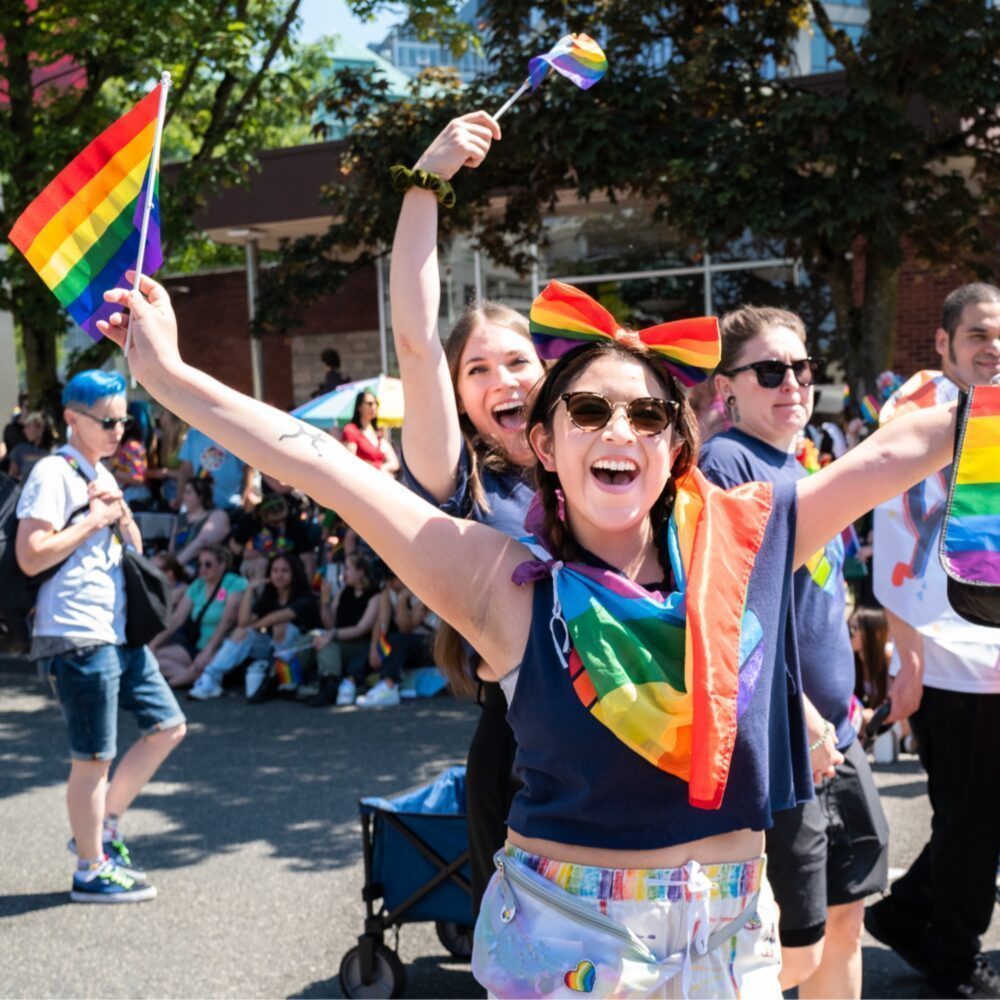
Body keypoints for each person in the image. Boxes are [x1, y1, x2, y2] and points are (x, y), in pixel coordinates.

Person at [99, 250, 963, 994]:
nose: (617, 427)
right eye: (588, 411)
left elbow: (897, 450)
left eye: (645, 415)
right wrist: (170, 375)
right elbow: (321, 465)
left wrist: (984, 393)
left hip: (728, 938)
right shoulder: (504, 581)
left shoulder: (749, 538)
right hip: (562, 945)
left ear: (673, 449)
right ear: (546, 445)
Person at [700, 305, 889, 999]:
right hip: (784, 745)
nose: (793, 383)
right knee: (786, 952)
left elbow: (819, 600)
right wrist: (800, 711)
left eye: (801, 367)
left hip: (837, 733)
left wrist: (848, 699)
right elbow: (729, 617)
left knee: (848, 915)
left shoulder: (803, 459)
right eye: (770, 370)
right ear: (728, 389)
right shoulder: (727, 462)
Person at [389, 111, 545, 916]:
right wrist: (428, 180)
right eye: (477, 368)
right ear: (457, 397)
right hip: (516, 752)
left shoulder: (598, 468)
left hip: (628, 744)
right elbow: (416, 339)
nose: (502, 378)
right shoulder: (460, 482)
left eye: (518, 360)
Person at [867, 282, 1000, 1000]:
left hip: (990, 650)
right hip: (950, 658)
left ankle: (904, 913)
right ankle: (952, 963)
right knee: (972, 820)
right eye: (978, 334)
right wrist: (907, 660)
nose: (994, 347)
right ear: (944, 344)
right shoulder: (918, 424)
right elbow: (895, 546)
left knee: (977, 816)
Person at [14, 369, 186, 903]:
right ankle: (90, 868)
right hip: (75, 631)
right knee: (93, 756)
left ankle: (102, 828)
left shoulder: (101, 472)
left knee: (168, 726)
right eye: (108, 420)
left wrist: (116, 513)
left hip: (115, 631)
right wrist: (92, 520)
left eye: (125, 419)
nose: (120, 430)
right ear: (72, 419)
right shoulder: (52, 472)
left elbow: (131, 540)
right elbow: (30, 553)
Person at [187, 551, 318, 701]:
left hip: (304, 651)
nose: (279, 575)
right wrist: (249, 590)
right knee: (242, 632)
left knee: (280, 626)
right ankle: (211, 678)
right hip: (272, 650)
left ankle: (287, 682)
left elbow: (276, 617)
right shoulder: (270, 595)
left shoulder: (305, 597)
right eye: (275, 570)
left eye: (284, 571)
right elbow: (243, 622)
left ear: (295, 573)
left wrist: (254, 625)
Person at [149, 545, 247, 688]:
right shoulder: (198, 585)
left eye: (208, 564)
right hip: (197, 647)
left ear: (222, 565)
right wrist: (153, 645)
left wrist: (208, 650)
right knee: (153, 657)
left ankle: (183, 679)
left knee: (183, 672)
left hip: (220, 646)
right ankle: (197, 677)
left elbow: (227, 620)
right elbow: (177, 618)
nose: (202, 568)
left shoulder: (234, 582)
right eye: (199, 564)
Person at [299, 552, 381, 707]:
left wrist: (332, 635)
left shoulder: (375, 596)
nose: (344, 574)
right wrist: (324, 602)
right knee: (313, 636)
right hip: (341, 640)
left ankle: (329, 684)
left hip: (360, 646)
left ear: (361, 571)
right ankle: (286, 675)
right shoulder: (345, 591)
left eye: (347, 569)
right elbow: (330, 624)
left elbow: (361, 629)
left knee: (328, 645)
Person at [355, 573, 440, 708]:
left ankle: (389, 685)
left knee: (398, 640)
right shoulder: (388, 593)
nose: (388, 583)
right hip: (411, 645)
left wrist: (401, 598)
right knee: (382, 644)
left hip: (434, 645)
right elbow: (382, 623)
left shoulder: (423, 589)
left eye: (391, 578)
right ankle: (353, 682)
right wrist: (374, 649)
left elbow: (405, 626)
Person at [228, 492, 316, 579]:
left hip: (286, 565)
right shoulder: (250, 520)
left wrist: (307, 587)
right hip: (258, 562)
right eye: (275, 521)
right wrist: (243, 552)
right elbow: (234, 543)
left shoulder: (294, 523)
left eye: (283, 519)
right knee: (261, 563)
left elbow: (307, 556)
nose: (281, 524)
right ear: (264, 516)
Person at [176, 424, 252, 512]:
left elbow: (248, 470)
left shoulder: (237, 435)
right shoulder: (194, 433)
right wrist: (180, 496)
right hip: (199, 506)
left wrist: (244, 496)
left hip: (231, 505)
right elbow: (185, 469)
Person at [167, 477, 230, 576]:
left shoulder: (217, 515)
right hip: (174, 569)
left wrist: (175, 566)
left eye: (188, 492)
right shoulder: (180, 518)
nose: (183, 496)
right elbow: (171, 548)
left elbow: (201, 543)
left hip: (199, 568)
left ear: (201, 496)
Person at [341, 391, 400, 475]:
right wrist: (377, 468)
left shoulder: (378, 432)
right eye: (369, 404)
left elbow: (394, 463)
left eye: (376, 403)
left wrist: (381, 468)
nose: (374, 407)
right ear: (359, 407)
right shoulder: (351, 430)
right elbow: (349, 463)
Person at [7, 409, 51, 481]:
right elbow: (12, 477)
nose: (24, 431)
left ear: (40, 429)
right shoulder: (19, 449)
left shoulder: (53, 451)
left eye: (28, 426)